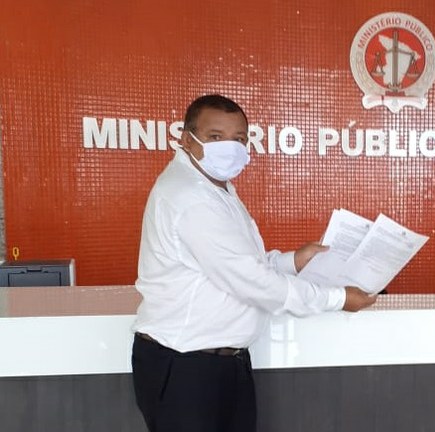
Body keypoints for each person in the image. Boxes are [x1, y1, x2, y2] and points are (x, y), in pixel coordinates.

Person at [131, 94, 377, 432]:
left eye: (239, 139)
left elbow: (244, 265)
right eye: (215, 137)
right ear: (187, 138)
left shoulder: (217, 188)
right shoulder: (190, 197)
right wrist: (337, 298)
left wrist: (294, 261)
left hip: (220, 364)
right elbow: (251, 282)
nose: (230, 147)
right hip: (186, 368)